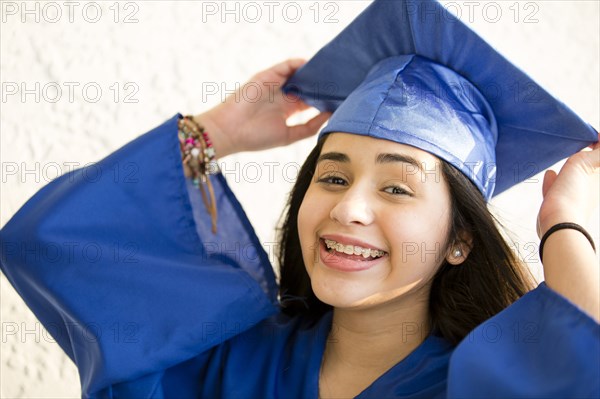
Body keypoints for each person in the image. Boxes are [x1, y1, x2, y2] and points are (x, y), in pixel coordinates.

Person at [1, 0, 598, 398]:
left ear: (459, 241)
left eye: (396, 187)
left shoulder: (472, 384)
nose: (348, 208)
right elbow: (52, 246)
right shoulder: (225, 358)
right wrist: (213, 134)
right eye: (333, 178)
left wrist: (564, 226)